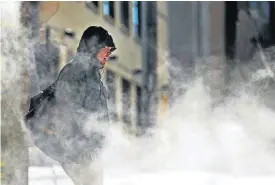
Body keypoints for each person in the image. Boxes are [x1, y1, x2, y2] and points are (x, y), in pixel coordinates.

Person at [25, 26, 116, 185]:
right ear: (94, 47)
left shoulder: (92, 74)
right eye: (106, 49)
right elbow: (68, 110)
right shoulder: (76, 70)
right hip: (79, 152)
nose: (109, 53)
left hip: (89, 153)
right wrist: (78, 151)